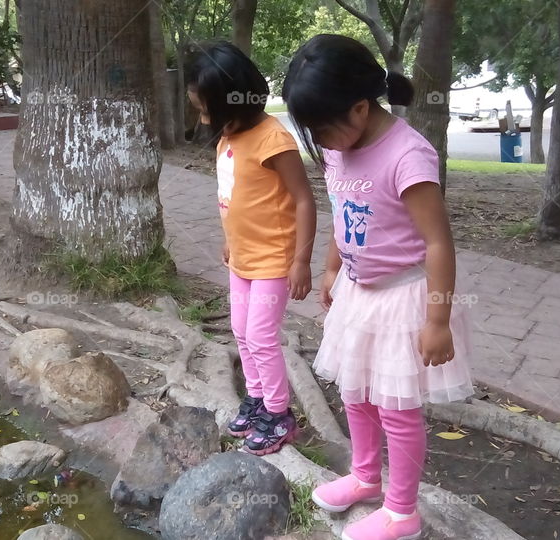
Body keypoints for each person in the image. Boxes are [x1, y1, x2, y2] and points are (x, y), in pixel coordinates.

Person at [283, 34, 475, 540]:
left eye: (323, 129)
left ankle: (402, 510)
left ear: (360, 108)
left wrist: (437, 320)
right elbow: (345, 216)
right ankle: (365, 476)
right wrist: (332, 269)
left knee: (396, 408)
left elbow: (438, 242)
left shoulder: (407, 155)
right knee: (355, 392)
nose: (320, 141)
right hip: (357, 292)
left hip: (404, 298)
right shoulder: (339, 150)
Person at [186, 41, 317, 455]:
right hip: (241, 258)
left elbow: (304, 199)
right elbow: (232, 196)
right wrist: (229, 240)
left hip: (274, 261)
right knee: (241, 332)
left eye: (206, 109)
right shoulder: (229, 136)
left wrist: (301, 261)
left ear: (233, 101)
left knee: (261, 336)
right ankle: (258, 397)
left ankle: (279, 414)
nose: (203, 118)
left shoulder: (273, 139)